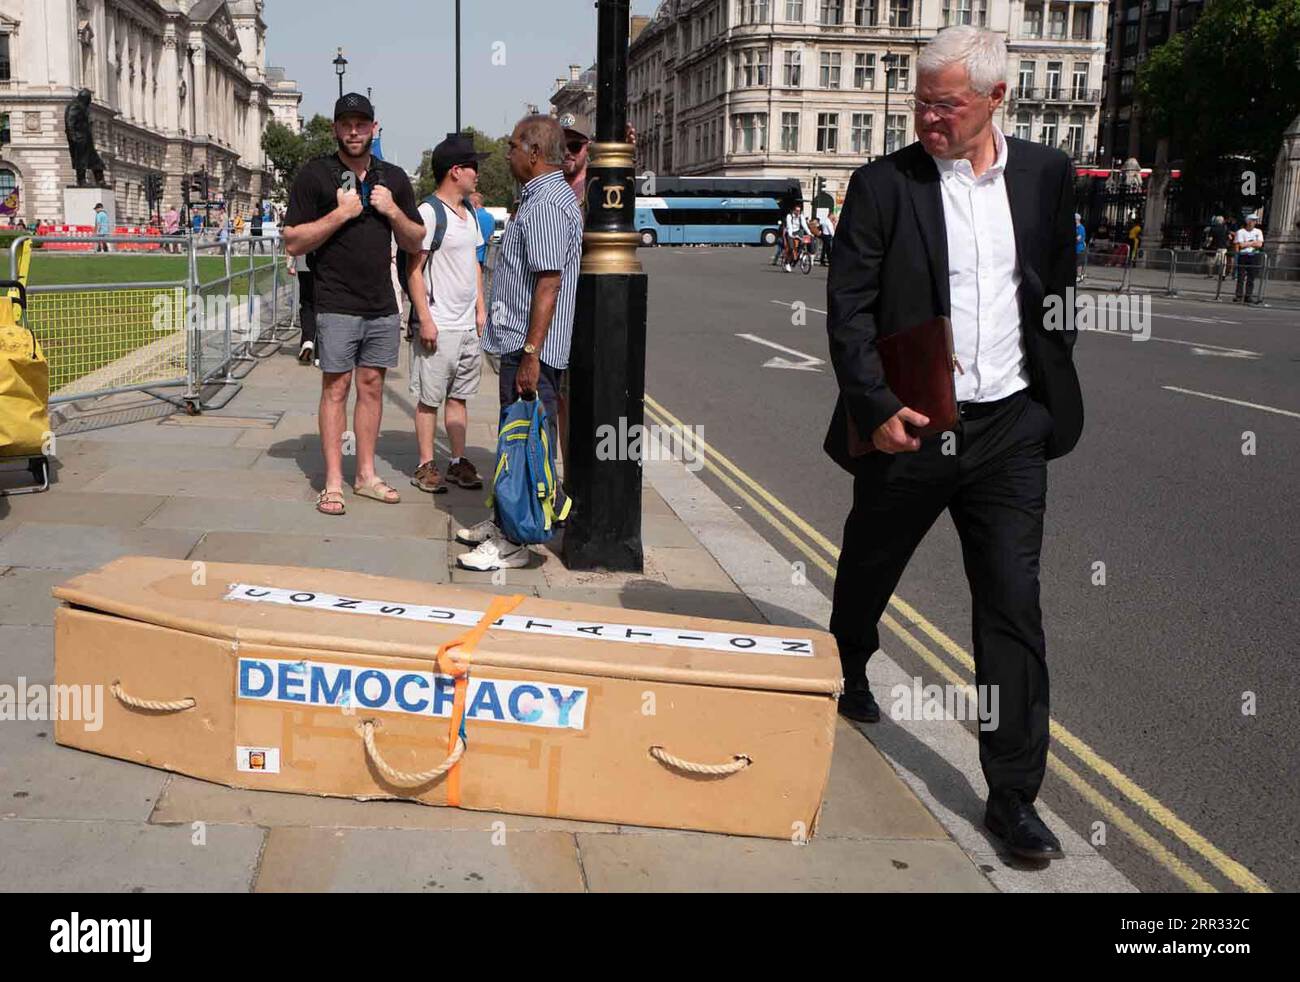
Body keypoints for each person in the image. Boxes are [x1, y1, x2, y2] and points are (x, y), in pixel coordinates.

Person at [825, 26, 1082, 861]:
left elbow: (1055, 290)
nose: (929, 116)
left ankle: (1012, 796)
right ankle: (851, 657)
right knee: (871, 561)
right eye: (922, 101)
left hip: (1009, 426)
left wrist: (1043, 396)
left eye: (948, 104)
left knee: (1012, 604)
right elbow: (851, 311)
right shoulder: (881, 185)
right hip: (915, 422)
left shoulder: (1045, 176)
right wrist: (876, 405)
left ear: (995, 99)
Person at [283, 92, 425, 517]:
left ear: (374, 129)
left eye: (362, 124)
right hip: (335, 303)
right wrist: (339, 215)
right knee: (336, 388)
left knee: (372, 387)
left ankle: (364, 475)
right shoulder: (316, 175)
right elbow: (292, 241)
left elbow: (417, 240)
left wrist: (393, 211)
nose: (354, 131)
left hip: (381, 304)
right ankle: (332, 481)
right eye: (346, 124)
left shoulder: (393, 178)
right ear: (335, 129)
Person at [456, 114, 583, 571]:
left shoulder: (547, 203)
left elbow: (548, 284)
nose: (507, 153)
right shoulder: (538, 197)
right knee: (516, 439)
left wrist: (531, 354)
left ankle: (516, 541)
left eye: (511, 146)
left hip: (533, 351)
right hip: (521, 345)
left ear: (533, 152)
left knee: (527, 444)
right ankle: (505, 520)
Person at [407, 133, 491, 496]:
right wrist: (425, 318)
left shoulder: (470, 211)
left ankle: (457, 462)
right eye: (473, 167)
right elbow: (414, 269)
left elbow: (473, 262)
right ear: (456, 171)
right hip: (439, 325)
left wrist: (481, 307)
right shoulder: (429, 212)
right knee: (429, 399)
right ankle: (426, 464)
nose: (478, 174)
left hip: (467, 326)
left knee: (459, 398)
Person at [289, 250, 317, 365]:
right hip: (323, 263)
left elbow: (292, 237)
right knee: (321, 305)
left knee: (306, 303)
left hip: (303, 262)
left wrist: (290, 263)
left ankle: (308, 340)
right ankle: (320, 353)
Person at [1233, 213, 1264, 304]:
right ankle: (1238, 295)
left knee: (1251, 277)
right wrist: (1253, 242)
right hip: (1243, 255)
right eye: (1252, 220)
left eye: (1254, 221)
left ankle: (1248, 295)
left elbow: (1259, 244)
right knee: (1241, 277)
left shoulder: (1258, 231)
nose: (1253, 222)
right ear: (1247, 221)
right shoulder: (1241, 232)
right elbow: (1240, 245)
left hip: (1254, 256)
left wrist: (1247, 243)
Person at [783, 203, 811, 271]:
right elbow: (789, 226)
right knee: (791, 248)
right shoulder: (789, 216)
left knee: (802, 245)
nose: (798, 212)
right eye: (797, 210)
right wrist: (791, 235)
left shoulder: (801, 216)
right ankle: (787, 263)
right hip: (790, 232)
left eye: (799, 211)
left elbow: (804, 225)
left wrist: (810, 233)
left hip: (798, 231)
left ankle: (798, 257)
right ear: (793, 210)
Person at [1075, 212, 1087, 281]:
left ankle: (1079, 276)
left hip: (1079, 249)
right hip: (1074, 249)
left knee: (1079, 263)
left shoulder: (1081, 228)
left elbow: (1078, 239)